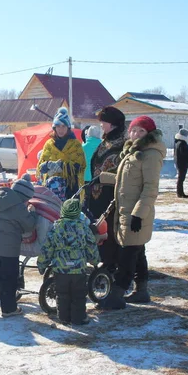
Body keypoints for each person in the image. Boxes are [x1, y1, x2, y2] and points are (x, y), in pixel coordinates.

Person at [97, 116, 165, 310]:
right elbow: (125, 178)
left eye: (141, 131)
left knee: (127, 254)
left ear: (149, 134)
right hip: (125, 210)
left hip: (135, 213)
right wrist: (102, 178)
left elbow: (150, 188)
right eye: (134, 130)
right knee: (138, 250)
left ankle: (117, 294)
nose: (135, 134)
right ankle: (142, 291)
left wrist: (138, 214)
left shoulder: (150, 154)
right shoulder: (134, 151)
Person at [0, 175, 37, 317]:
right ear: (24, 197)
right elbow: (29, 225)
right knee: (8, 279)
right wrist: (32, 213)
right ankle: (9, 309)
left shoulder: (2, 199)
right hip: (9, 251)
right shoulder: (18, 207)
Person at [37, 199, 100, 325]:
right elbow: (91, 246)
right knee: (78, 294)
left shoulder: (56, 227)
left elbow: (48, 247)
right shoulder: (83, 227)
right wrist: (95, 261)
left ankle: (64, 317)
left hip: (60, 270)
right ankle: (79, 318)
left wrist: (42, 264)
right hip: (78, 269)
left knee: (62, 294)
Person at [85, 106, 127, 270]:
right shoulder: (106, 141)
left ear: (112, 123)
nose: (101, 124)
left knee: (109, 228)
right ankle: (103, 259)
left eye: (103, 121)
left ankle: (111, 263)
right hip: (97, 194)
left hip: (111, 194)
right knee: (99, 227)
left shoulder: (122, 144)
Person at [37, 107, 86, 201]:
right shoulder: (49, 144)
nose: (61, 129)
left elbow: (80, 166)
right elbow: (41, 168)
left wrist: (62, 166)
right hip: (52, 189)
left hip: (71, 188)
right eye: (58, 126)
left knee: (69, 214)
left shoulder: (75, 144)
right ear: (54, 128)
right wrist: (48, 165)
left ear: (68, 128)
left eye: (63, 126)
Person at [174, 128, 188, 198]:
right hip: (182, 164)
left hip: (180, 163)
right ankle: (180, 193)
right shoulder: (182, 143)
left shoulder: (178, 142)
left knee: (181, 179)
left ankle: (180, 192)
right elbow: (183, 154)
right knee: (181, 179)